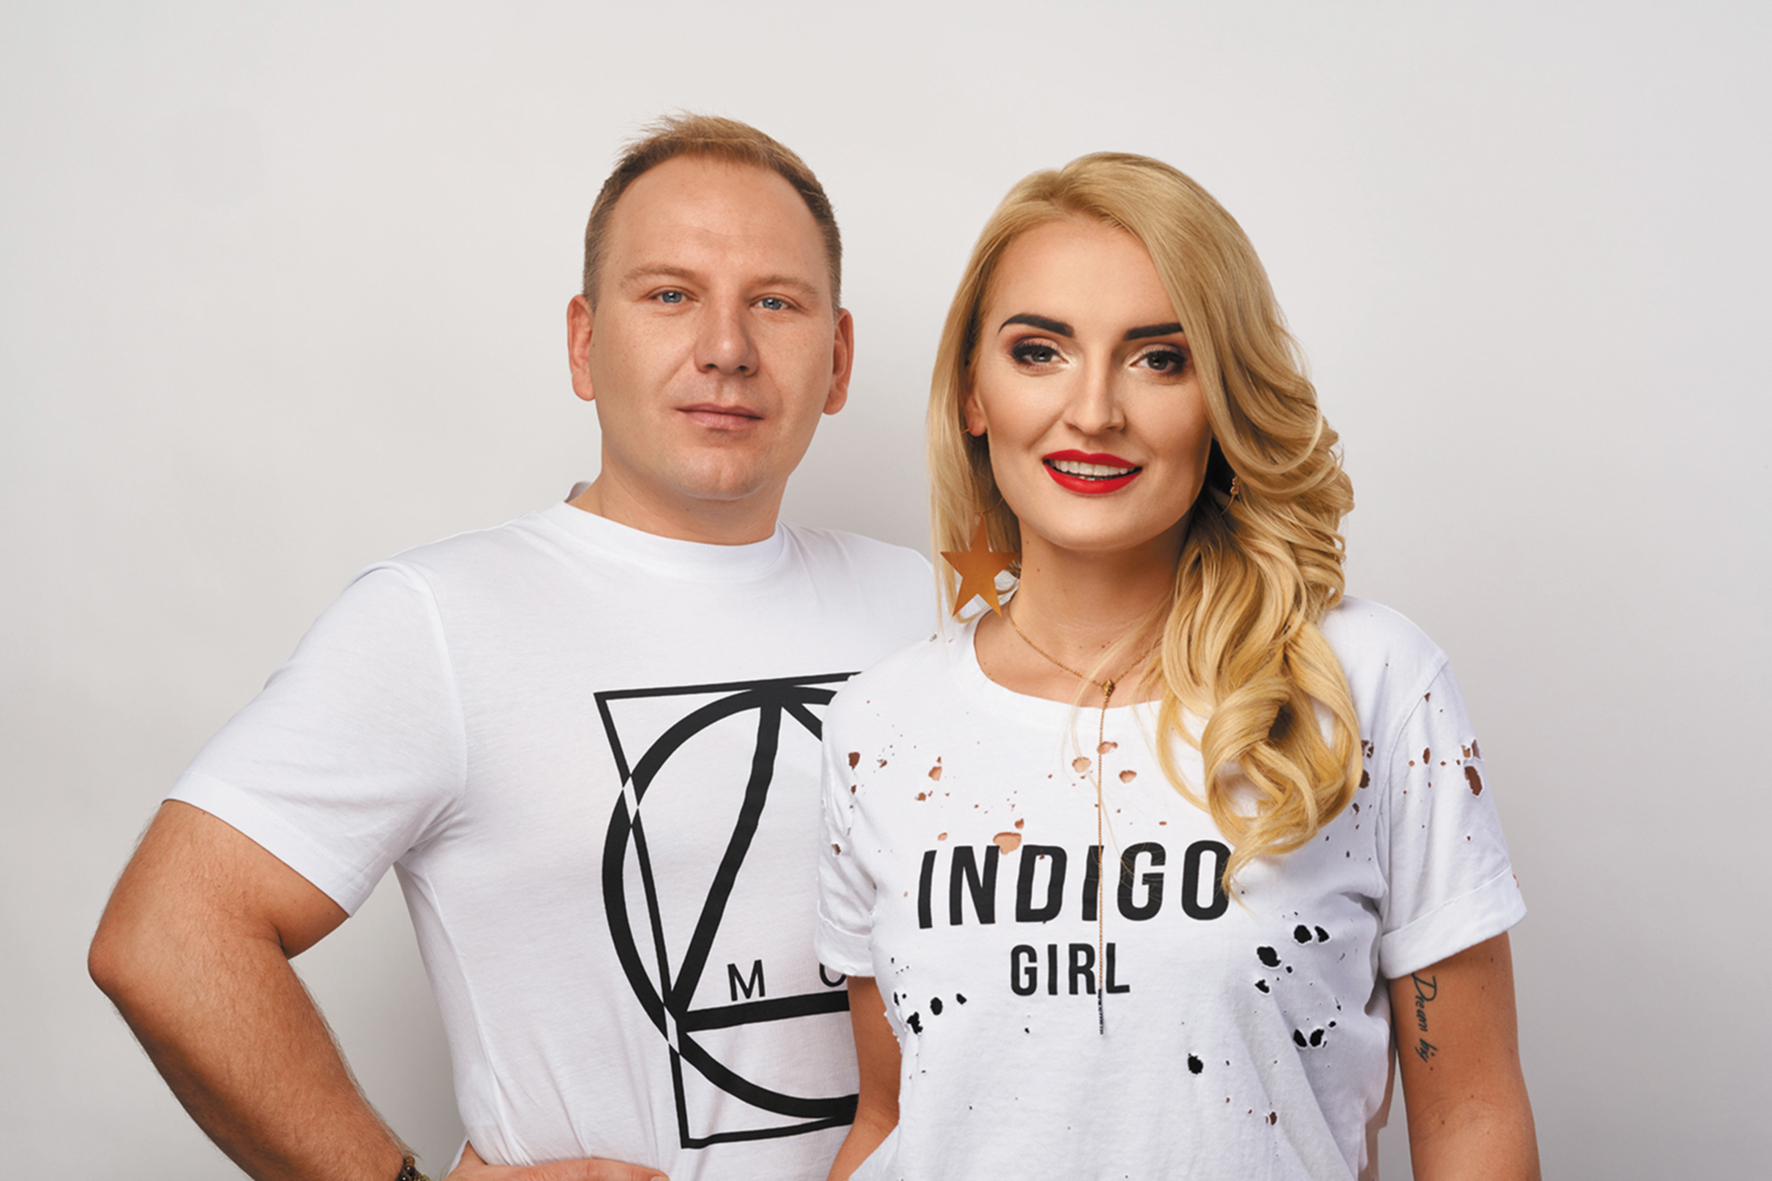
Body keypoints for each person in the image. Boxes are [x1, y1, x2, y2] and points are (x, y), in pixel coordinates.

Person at [88, 114, 934, 1181]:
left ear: (838, 359)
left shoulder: (925, 606)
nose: (727, 347)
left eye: (775, 301)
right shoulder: (439, 620)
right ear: (584, 343)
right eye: (669, 294)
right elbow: (167, 935)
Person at [815, 153, 1540, 1181]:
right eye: (1039, 351)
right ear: (974, 392)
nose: (1093, 410)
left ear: (1221, 398)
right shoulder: (879, 725)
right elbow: (891, 1115)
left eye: (1159, 358)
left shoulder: (1365, 683)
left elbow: (1470, 1114)